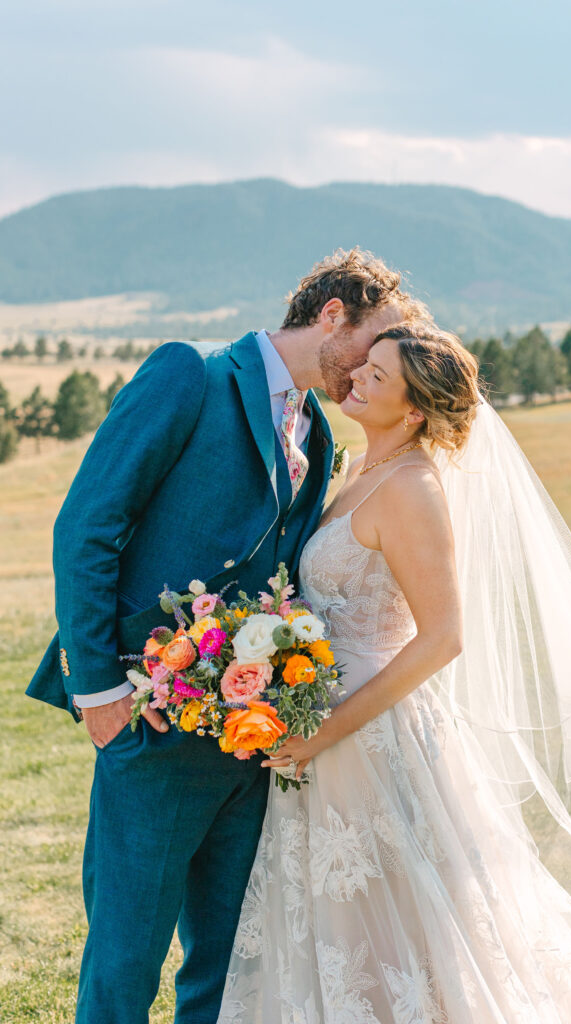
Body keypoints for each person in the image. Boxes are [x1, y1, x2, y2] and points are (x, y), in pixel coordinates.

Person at [218, 323, 571, 1022]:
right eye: (365, 365)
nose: (358, 379)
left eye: (378, 375)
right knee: (347, 921)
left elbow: (441, 639)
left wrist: (326, 729)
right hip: (321, 726)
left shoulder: (412, 488)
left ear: (412, 413)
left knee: (420, 926)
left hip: (375, 732)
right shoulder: (356, 468)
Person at [26, 249, 428, 1024]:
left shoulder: (318, 433)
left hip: (252, 738)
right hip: (146, 721)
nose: (377, 363)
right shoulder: (192, 375)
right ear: (332, 314)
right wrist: (99, 692)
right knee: (124, 960)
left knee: (232, 962)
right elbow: (88, 525)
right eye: (374, 340)